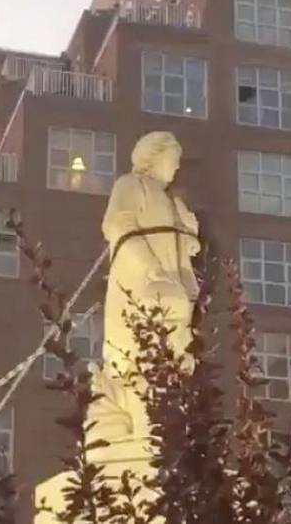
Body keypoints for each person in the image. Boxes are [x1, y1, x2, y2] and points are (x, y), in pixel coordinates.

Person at [87, 131, 201, 444]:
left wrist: (190, 234)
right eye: (172, 160)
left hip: (170, 282)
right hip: (141, 279)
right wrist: (150, 268)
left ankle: (162, 413)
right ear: (153, 157)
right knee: (140, 345)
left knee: (175, 345)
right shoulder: (131, 185)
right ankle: (131, 410)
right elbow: (118, 225)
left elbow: (184, 253)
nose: (176, 168)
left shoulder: (172, 201)